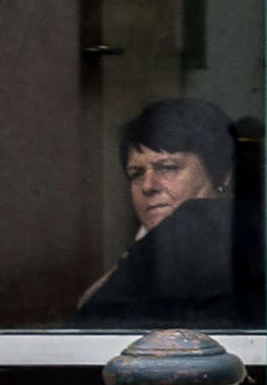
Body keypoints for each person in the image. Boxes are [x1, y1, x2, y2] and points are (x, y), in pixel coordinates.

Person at [69, 98, 257, 327]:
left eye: (168, 168)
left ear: (222, 174)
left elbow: (86, 325)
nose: (148, 186)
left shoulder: (201, 219)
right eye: (136, 174)